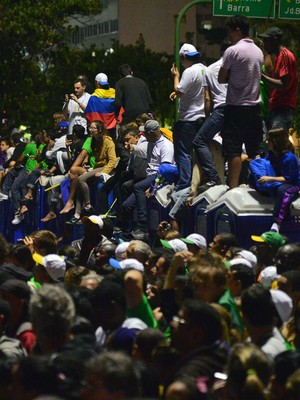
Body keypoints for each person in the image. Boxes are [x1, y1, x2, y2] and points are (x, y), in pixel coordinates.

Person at [218, 15, 264, 189]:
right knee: (255, 149)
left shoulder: (232, 51)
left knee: (234, 149)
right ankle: (260, 184)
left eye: (230, 31)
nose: (229, 35)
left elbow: (221, 77)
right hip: (255, 107)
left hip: (236, 106)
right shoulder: (258, 51)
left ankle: (233, 187)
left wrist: (233, 75)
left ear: (237, 30)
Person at [121, 120, 175, 236]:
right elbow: (143, 153)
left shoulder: (166, 146)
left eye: (145, 133)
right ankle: (127, 232)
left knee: (138, 186)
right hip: (149, 176)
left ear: (152, 133)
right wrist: (132, 148)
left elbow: (165, 170)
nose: (143, 136)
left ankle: (143, 224)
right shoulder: (151, 143)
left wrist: (153, 187)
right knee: (127, 205)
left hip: (158, 176)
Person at [192, 43, 230, 192]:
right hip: (238, 109)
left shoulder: (209, 70)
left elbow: (207, 99)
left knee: (199, 140)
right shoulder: (238, 68)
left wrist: (208, 118)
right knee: (233, 146)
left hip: (220, 109)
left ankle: (214, 178)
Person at [170, 43, 206, 192]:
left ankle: (184, 183)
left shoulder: (190, 71)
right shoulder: (205, 69)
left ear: (184, 58)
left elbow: (180, 91)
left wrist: (175, 77)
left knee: (183, 152)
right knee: (199, 152)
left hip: (188, 119)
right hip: (203, 117)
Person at [253, 128, 300, 233]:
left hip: (291, 184)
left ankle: (277, 223)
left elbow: (288, 179)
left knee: (283, 190)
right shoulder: (271, 154)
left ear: (276, 141)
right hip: (275, 182)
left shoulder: (289, 158)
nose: (267, 142)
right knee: (252, 179)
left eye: (269, 140)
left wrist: (270, 179)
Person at [70, 120, 117, 223]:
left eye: (93, 128)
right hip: (96, 167)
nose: (90, 130)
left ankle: (87, 205)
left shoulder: (108, 141)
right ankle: (77, 214)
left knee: (81, 179)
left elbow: (112, 160)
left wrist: (104, 172)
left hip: (105, 167)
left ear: (100, 129)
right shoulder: (93, 141)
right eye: (90, 128)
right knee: (79, 183)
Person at [259, 27, 298, 130]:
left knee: (277, 138)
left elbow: (283, 85)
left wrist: (262, 76)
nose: (264, 43)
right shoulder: (278, 57)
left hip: (283, 107)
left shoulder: (285, 56)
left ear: (275, 40)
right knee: (274, 143)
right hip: (277, 106)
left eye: (266, 40)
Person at [85, 73, 117, 140]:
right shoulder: (115, 95)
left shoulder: (93, 98)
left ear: (97, 83)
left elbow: (89, 115)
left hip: (98, 130)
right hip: (112, 129)